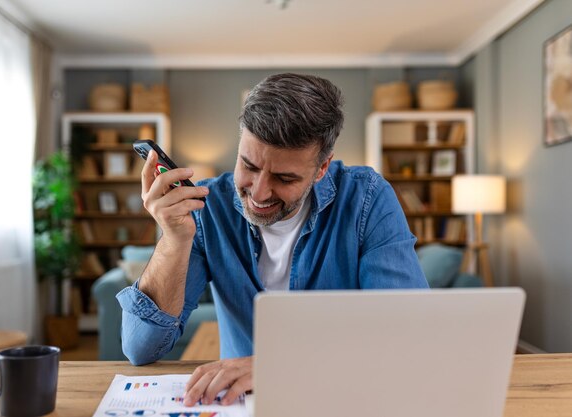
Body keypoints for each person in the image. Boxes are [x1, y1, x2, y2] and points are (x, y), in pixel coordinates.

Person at [116, 73, 429, 406]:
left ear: (322, 168)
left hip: (343, 401)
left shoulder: (367, 200)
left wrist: (280, 368)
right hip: (239, 406)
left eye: (284, 177)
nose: (259, 192)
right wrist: (173, 240)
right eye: (248, 165)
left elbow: (406, 336)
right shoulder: (208, 209)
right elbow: (140, 349)